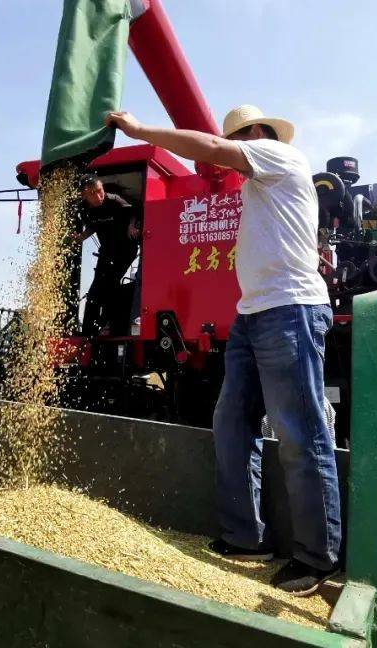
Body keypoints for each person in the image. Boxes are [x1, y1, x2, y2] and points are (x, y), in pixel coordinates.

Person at [105, 105, 340, 596]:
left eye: (236, 139)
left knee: (299, 432)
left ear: (255, 134)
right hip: (252, 314)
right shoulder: (259, 186)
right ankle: (245, 537)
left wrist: (140, 130)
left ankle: (317, 558)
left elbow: (212, 148)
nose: (230, 149)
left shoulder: (279, 155)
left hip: (290, 309)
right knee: (231, 420)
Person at [74, 174, 141, 335]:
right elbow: (93, 226)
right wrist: (81, 237)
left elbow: (136, 210)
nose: (98, 197)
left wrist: (132, 226)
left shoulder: (114, 201)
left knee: (110, 284)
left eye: (100, 191)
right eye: (92, 193)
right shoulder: (83, 209)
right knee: (95, 290)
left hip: (126, 249)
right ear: (83, 195)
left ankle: (109, 325)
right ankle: (88, 331)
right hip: (106, 252)